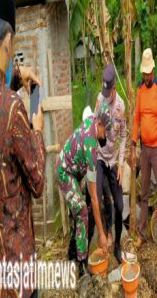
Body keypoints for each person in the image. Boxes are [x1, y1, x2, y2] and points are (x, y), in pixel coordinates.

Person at [0, 0, 46, 297]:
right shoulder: (13, 109)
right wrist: (36, 131)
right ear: (8, 39)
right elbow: (38, 183)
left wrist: (15, 78)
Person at [56, 102, 111, 276]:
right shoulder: (91, 148)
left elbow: (90, 111)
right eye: (106, 130)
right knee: (82, 211)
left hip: (73, 170)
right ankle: (81, 265)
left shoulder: (91, 120)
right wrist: (102, 235)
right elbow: (94, 198)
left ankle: (72, 253)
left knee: (79, 212)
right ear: (99, 124)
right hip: (65, 172)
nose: (106, 135)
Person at [131, 48, 157, 248]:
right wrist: (133, 144)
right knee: (144, 192)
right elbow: (137, 118)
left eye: (149, 73)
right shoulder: (140, 90)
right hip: (144, 149)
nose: (147, 76)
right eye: (144, 73)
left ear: (153, 71)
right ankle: (141, 234)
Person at [88, 64, 126, 263]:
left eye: (108, 91)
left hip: (113, 162)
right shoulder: (99, 100)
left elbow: (124, 135)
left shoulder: (120, 106)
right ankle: (100, 238)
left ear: (114, 89)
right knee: (97, 198)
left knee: (119, 206)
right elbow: (94, 125)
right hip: (101, 159)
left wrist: (120, 163)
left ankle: (118, 244)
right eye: (103, 91)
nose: (105, 95)